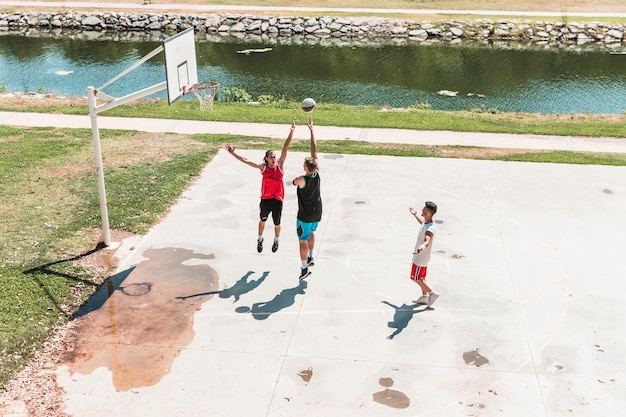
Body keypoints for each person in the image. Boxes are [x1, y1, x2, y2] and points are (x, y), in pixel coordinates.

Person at [224, 120, 295, 253]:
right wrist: (233, 153)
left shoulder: (280, 165)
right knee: (262, 220)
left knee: (277, 224)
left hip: (278, 199)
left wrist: (291, 132)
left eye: (274, 156)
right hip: (266, 199)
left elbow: (285, 148)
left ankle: (276, 241)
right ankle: (260, 239)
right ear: (266, 158)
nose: (274, 158)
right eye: (271, 157)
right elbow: (246, 161)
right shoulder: (262, 168)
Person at [293, 117, 321, 280]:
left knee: (302, 239)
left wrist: (294, 180)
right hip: (317, 212)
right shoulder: (317, 174)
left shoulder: (302, 179)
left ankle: (304, 268)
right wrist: (312, 131)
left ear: (305, 167)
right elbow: (314, 150)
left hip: (305, 214)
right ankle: (311, 256)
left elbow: (295, 182)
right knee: (311, 232)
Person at [409, 201, 439, 307]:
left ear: (429, 213)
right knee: (422, 278)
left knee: (415, 278)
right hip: (424, 258)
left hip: (420, 258)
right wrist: (415, 215)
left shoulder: (430, 229)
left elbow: (427, 239)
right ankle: (425, 297)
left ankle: (432, 293)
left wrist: (421, 247)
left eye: (425, 209)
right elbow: (422, 223)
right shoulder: (428, 222)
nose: (422, 210)